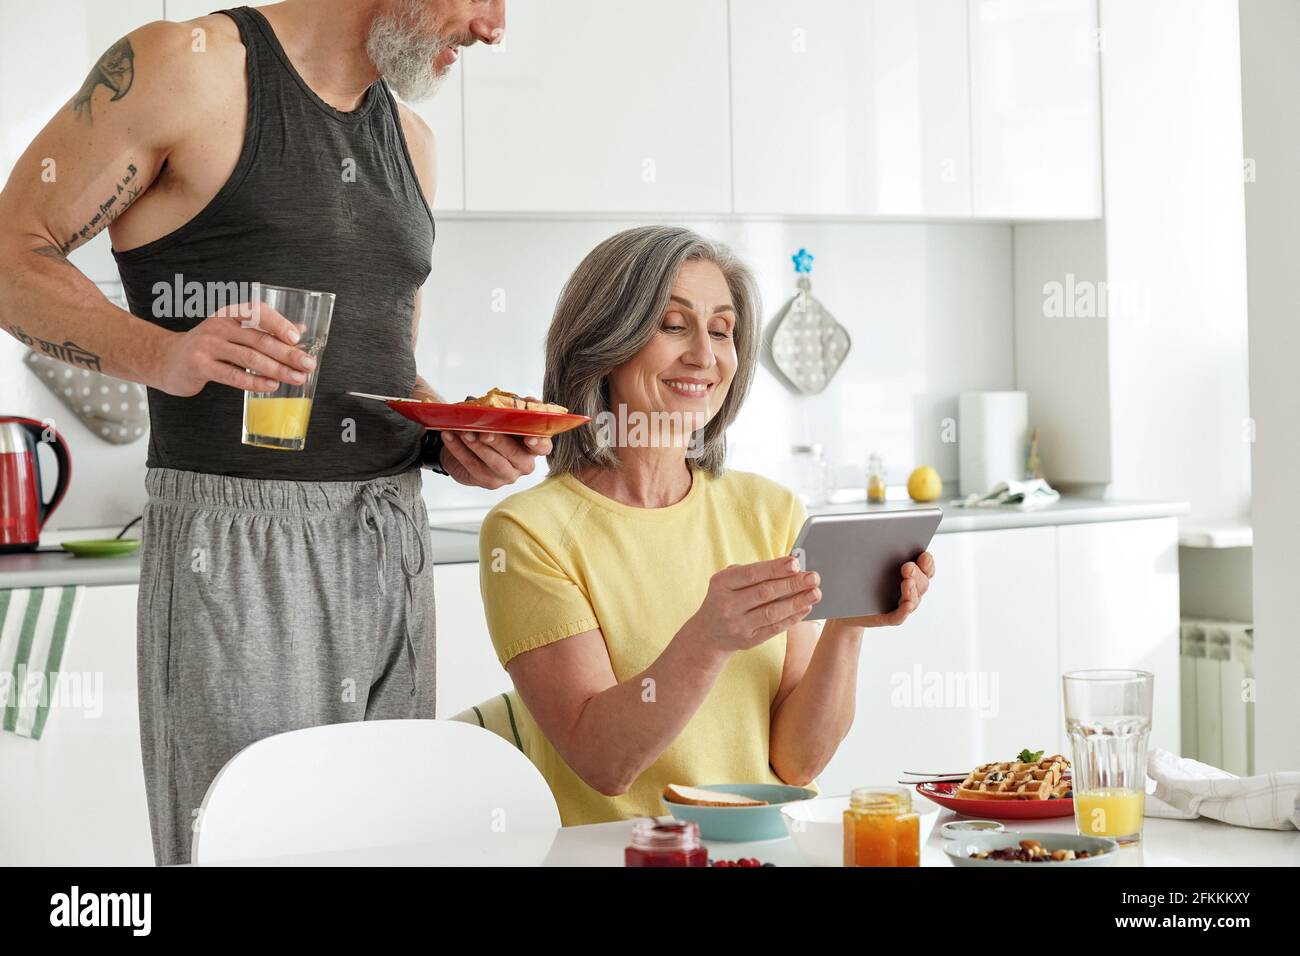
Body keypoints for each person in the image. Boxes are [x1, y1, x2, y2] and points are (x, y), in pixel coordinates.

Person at [0, 0, 534, 865]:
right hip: (235, 546)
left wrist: (447, 435)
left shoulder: (413, 142)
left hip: (389, 542)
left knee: (392, 851)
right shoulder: (187, 66)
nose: (493, 26)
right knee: (247, 847)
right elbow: (9, 253)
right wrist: (163, 355)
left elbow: (377, 365)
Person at [479, 226, 937, 825]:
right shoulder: (527, 532)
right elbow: (603, 763)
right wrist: (709, 638)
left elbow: (797, 764)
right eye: (673, 325)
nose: (704, 355)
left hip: (767, 850)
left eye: (722, 330)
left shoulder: (770, 511)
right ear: (602, 343)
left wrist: (846, 629)